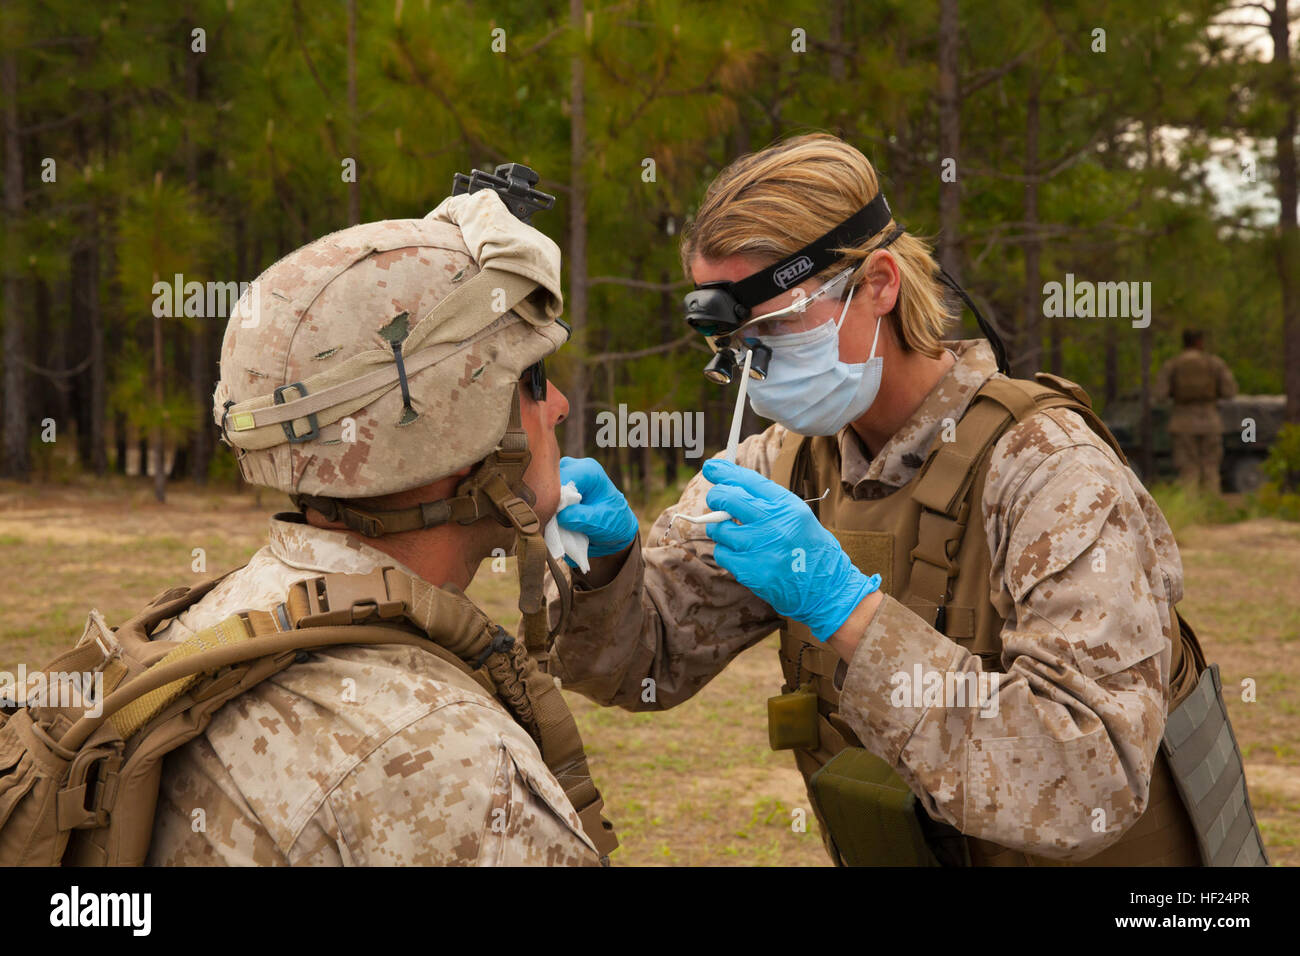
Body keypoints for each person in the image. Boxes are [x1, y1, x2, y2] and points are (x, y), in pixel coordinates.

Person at [546, 134, 1265, 867]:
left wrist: (845, 611)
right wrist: (607, 565)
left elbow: (1087, 784)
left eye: (778, 327)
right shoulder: (779, 466)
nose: (754, 365)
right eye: (735, 342)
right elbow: (643, 664)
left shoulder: (1054, 475)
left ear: (879, 284)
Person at [144, 180, 616, 866]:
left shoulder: (210, 622)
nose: (561, 405)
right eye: (533, 379)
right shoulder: (448, 766)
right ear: (450, 425)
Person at [1155, 329, 1238, 494]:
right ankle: (1213, 508)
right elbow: (1230, 392)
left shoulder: (1173, 364)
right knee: (1211, 467)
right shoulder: (1214, 363)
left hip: (1183, 422)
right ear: (1200, 342)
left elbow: (1160, 395)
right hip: (1210, 421)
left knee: (1188, 470)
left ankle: (1191, 511)